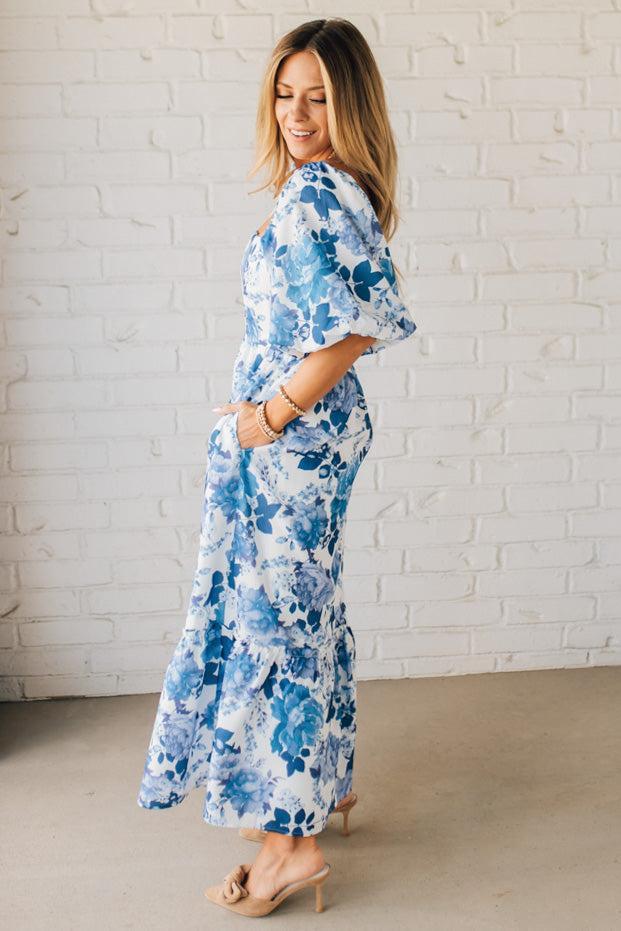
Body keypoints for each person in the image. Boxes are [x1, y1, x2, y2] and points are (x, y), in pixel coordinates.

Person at [137, 17, 417, 918]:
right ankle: (319, 783)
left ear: (352, 103)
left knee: (277, 627)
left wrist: (266, 417)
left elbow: (349, 331)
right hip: (311, 441)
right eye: (286, 94)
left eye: (320, 97)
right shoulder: (338, 188)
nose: (298, 113)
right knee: (304, 607)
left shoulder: (316, 198)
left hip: (292, 443)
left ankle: (287, 843)